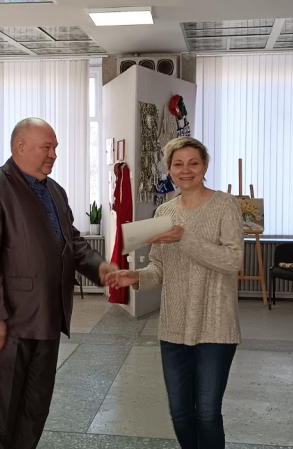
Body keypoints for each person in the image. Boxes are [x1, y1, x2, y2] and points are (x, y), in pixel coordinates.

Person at [0, 117, 115, 449]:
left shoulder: (56, 191)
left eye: (55, 147)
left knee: (35, 410)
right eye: (47, 147)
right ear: (21, 146)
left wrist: (100, 267)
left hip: (48, 318)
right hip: (9, 323)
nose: (54, 154)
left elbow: (72, 242)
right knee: (1, 415)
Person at [106, 137, 244, 449]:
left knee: (207, 413)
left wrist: (185, 238)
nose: (186, 170)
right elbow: (158, 267)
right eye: (178, 164)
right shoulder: (163, 212)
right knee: (180, 414)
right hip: (173, 327)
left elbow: (233, 261)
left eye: (193, 163)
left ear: (205, 166)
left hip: (216, 327)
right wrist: (135, 276)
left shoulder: (224, 205)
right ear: (169, 170)